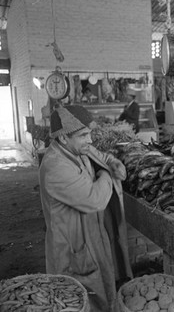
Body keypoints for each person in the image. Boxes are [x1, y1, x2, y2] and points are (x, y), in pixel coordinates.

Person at [39, 105, 133, 312]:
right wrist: (107, 175)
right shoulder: (56, 167)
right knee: (78, 299)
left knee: (102, 291)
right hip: (72, 247)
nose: (90, 140)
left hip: (92, 235)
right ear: (63, 138)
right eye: (84, 135)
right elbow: (95, 200)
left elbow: (103, 157)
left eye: (89, 133)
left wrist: (114, 162)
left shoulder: (77, 148)